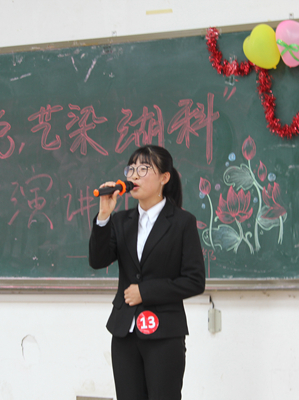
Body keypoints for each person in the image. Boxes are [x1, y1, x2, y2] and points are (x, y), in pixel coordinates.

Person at [89, 145, 206, 400]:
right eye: (131, 169)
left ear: (164, 177)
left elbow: (195, 281)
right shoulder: (120, 221)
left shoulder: (182, 222)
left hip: (164, 333)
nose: (134, 175)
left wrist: (146, 292)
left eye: (144, 169)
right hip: (124, 332)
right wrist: (104, 216)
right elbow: (97, 260)